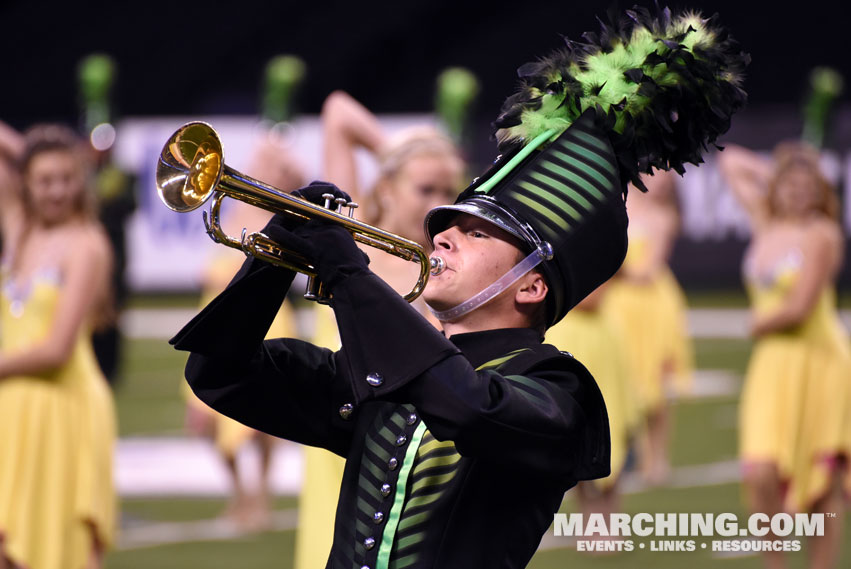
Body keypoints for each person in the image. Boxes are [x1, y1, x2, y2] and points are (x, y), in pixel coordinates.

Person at [170, 7, 745, 566]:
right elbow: (218, 374)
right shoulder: (380, 375)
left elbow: (467, 407)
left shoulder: (560, 391)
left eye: (476, 233)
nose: (441, 238)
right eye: (445, 226)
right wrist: (274, 256)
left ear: (532, 288)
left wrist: (346, 271)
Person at [292, 90, 465, 569]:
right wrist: (405, 152)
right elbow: (337, 112)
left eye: (447, 191)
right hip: (341, 432)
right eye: (424, 189)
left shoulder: (450, 265)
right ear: (387, 187)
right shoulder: (352, 237)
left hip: (410, 445)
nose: (438, 204)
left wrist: (413, 164)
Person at [719, 142, 851, 569]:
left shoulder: (823, 233)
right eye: (789, 185)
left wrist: (756, 325)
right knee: (760, 469)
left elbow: (798, 308)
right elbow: (729, 161)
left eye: (806, 184)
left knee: (822, 474)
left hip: (816, 359)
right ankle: (774, 563)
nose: (797, 192)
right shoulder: (765, 221)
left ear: (820, 190)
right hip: (773, 364)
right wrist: (783, 166)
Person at [0, 125, 116, 569]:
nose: (57, 191)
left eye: (67, 178)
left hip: (65, 409)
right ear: (25, 182)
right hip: (15, 407)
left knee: (58, 552)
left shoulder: (87, 244)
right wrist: (36, 148)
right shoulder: (20, 230)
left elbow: (56, 350)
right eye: (44, 180)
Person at [181, 131, 307, 530]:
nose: (261, 163)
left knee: (259, 417)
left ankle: (261, 494)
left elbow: (303, 181)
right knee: (204, 419)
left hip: (264, 321)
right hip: (215, 321)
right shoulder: (232, 208)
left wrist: (285, 168)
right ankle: (241, 491)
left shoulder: (279, 211)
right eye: (260, 158)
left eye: (269, 162)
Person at [601, 170, 694, 485]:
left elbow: (646, 271)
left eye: (668, 182)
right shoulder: (619, 206)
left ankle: (658, 458)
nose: (659, 185)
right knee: (620, 377)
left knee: (655, 385)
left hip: (651, 307)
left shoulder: (663, 217)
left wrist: (611, 266)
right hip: (616, 305)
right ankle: (626, 453)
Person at [545, 283, 638, 539]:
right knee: (574, 434)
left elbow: (592, 299)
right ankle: (591, 525)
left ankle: (609, 524)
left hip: (597, 338)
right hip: (572, 337)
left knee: (610, 428)